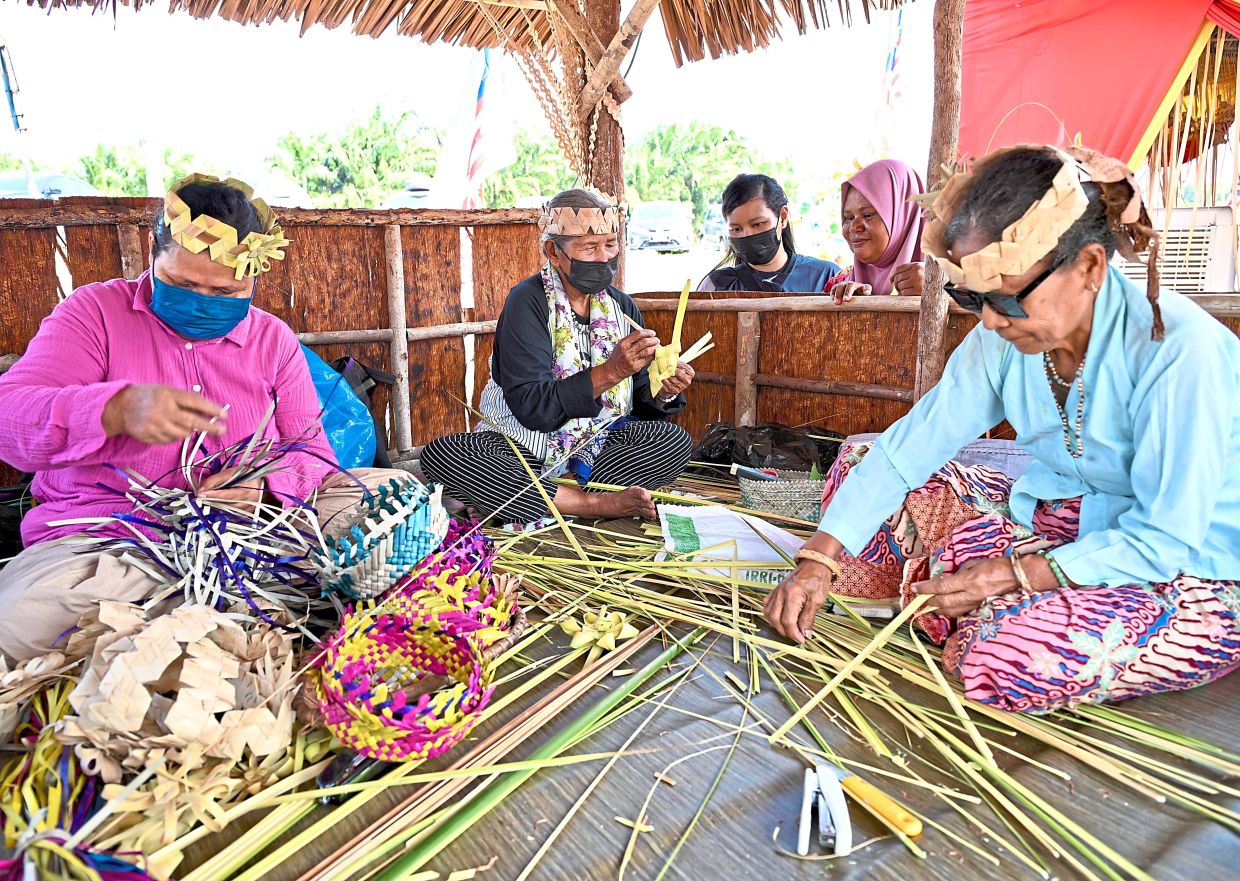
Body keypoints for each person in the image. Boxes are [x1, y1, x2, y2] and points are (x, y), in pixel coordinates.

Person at [765, 145, 1240, 713]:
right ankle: (969, 593)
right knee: (862, 466)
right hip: (1067, 518)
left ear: (1089, 267)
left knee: (1005, 658)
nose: (990, 319)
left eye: (1008, 296)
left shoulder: (1178, 352)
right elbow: (908, 450)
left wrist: (1013, 575)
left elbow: (1166, 538)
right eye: (974, 297)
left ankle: (984, 606)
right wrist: (817, 558)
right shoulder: (1003, 337)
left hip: (1190, 561)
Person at [0, 174, 394, 662]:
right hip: (121, 539)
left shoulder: (272, 339)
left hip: (259, 533)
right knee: (17, 620)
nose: (204, 302)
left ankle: (196, 624)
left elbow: (314, 454)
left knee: (394, 499)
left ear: (253, 279)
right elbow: (9, 421)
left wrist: (264, 490)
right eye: (183, 284)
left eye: (227, 293)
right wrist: (113, 409)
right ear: (153, 254)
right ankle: (231, 620)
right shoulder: (94, 313)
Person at [421, 189, 695, 525]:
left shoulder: (621, 308)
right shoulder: (527, 302)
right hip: (521, 446)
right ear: (554, 252)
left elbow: (638, 401)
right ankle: (594, 505)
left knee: (673, 442)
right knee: (446, 455)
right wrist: (610, 372)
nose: (604, 258)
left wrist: (664, 389)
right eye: (590, 248)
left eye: (610, 245)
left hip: (595, 449)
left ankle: (531, 501)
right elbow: (532, 406)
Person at [699, 174, 841, 292]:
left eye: (757, 224)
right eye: (736, 229)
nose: (747, 235)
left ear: (783, 217)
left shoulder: (827, 277)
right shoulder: (715, 287)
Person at [824, 158, 926, 301]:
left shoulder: (956, 280)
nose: (854, 227)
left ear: (903, 216)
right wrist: (851, 305)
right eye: (848, 217)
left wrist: (938, 290)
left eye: (867, 215)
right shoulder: (842, 285)